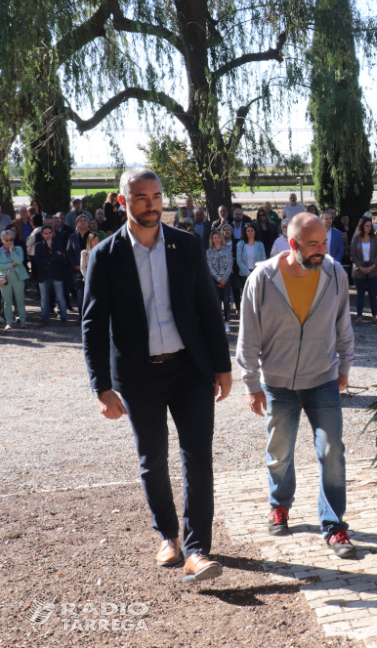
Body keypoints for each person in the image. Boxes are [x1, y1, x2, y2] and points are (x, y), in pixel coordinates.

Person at [82, 167, 232, 583]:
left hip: (190, 370)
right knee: (152, 460)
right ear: (123, 200)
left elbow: (207, 308)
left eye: (157, 196)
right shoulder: (105, 255)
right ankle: (168, 535)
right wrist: (101, 387)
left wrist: (222, 366)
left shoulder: (186, 245)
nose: (151, 204)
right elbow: (93, 324)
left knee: (198, 457)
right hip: (137, 377)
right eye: (141, 196)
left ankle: (198, 550)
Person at [236, 213, 356, 556]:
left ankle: (333, 525)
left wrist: (345, 364)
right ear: (292, 245)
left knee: (332, 451)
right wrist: (251, 383)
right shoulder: (262, 279)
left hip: (323, 379)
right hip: (277, 383)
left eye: (324, 242)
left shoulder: (334, 273)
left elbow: (343, 324)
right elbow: (248, 337)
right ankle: (279, 505)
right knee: (279, 453)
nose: (321, 251)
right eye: (312, 245)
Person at [34, 226, 69, 325]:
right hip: (43, 275)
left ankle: (63, 318)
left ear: (53, 233)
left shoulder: (58, 244)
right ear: (42, 234)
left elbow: (60, 259)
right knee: (44, 298)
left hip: (56, 274)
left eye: (50, 233)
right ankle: (45, 319)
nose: (48, 235)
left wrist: (51, 249)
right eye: (45, 233)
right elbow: (37, 261)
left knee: (60, 297)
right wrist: (51, 260)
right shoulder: (38, 245)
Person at [350, 217, 377, 321]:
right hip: (359, 269)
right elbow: (353, 255)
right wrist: (360, 266)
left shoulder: (374, 238)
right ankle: (359, 316)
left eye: (370, 226)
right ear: (362, 226)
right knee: (360, 294)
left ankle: (374, 316)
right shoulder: (356, 238)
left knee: (373, 293)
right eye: (366, 226)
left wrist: (373, 266)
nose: (368, 228)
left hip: (373, 269)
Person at [0, 230, 28, 330]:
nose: (9, 242)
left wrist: (12, 252)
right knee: (7, 301)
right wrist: (11, 265)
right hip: (4, 278)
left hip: (18, 277)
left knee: (20, 299)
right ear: (2, 240)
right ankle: (9, 322)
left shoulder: (18, 249)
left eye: (11, 239)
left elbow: (19, 261)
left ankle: (23, 321)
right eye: (6, 240)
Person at [206, 230, 234, 332]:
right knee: (216, 301)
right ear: (212, 240)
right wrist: (218, 279)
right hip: (215, 280)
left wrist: (224, 278)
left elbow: (230, 264)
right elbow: (210, 266)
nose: (217, 240)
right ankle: (218, 322)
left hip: (226, 279)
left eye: (218, 237)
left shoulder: (227, 250)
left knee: (226, 300)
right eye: (215, 238)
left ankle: (227, 322)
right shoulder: (209, 251)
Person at [235, 223, 265, 307]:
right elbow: (239, 260)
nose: (250, 232)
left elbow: (263, 260)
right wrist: (248, 273)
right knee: (247, 296)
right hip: (245, 274)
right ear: (245, 232)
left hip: (257, 273)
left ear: (255, 232)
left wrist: (257, 272)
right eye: (248, 231)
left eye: (252, 230)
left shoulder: (260, 244)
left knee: (257, 296)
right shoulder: (240, 244)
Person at [67, 216, 92, 314]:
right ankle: (81, 317)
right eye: (80, 221)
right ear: (76, 224)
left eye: (84, 220)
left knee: (91, 294)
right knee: (80, 294)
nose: (82, 222)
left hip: (91, 269)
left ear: (88, 223)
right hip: (77, 270)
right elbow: (69, 253)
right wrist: (76, 266)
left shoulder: (93, 236)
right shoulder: (72, 237)